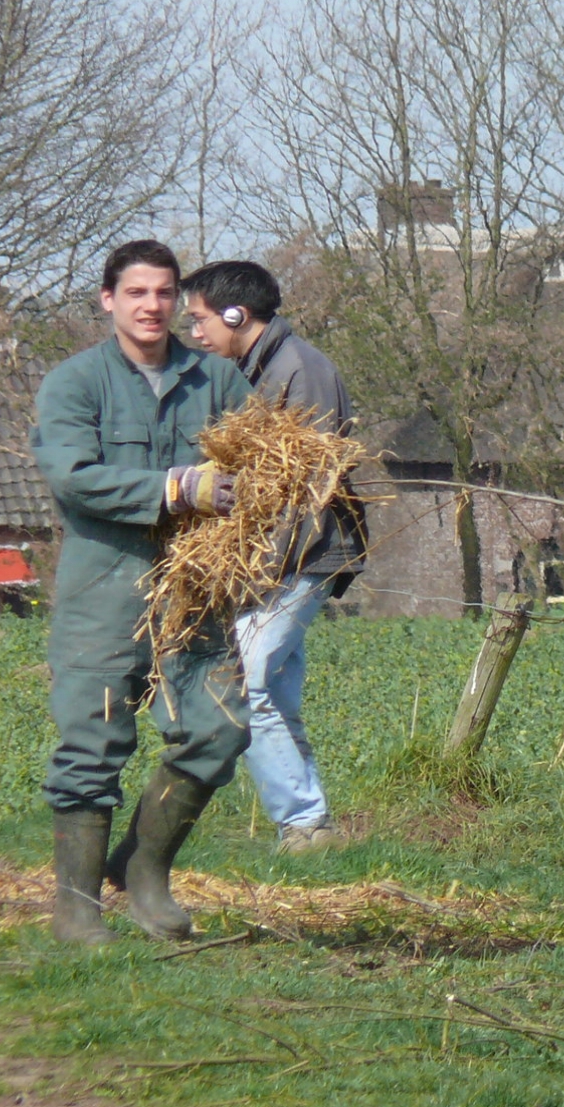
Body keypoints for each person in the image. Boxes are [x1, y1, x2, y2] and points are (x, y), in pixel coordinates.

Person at [31, 239, 256, 943]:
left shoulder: (217, 382)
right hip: (104, 589)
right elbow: (72, 475)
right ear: (108, 300)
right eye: (136, 292)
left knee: (221, 728)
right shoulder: (75, 383)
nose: (151, 305)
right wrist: (175, 487)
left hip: (196, 592)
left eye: (163, 293)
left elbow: (257, 462)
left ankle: (145, 872)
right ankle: (76, 908)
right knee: (91, 745)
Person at [180, 260, 365, 855]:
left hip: (301, 557)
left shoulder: (298, 372)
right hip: (284, 557)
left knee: (245, 680)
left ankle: (305, 824)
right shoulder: (263, 369)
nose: (195, 334)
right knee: (273, 693)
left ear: (237, 315)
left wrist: (257, 569)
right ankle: (312, 827)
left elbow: (306, 489)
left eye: (200, 320)